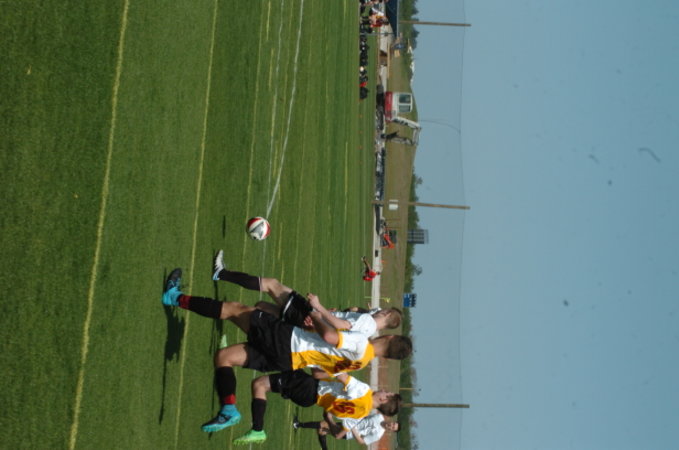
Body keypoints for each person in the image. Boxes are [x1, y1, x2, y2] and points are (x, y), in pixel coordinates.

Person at [161, 269, 412, 433]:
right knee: (224, 357)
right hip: (288, 360)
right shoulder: (362, 363)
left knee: (234, 309)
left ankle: (173, 297)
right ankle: (228, 409)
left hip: (289, 342)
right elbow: (320, 369)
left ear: (389, 337)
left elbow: (329, 337)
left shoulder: (362, 345)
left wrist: (316, 312)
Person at [212, 250, 399, 335]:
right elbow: (340, 332)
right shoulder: (368, 332)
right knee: (261, 308)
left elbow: (342, 326)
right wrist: (324, 319)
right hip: (311, 324)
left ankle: (221, 273)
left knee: (272, 285)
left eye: (385, 310)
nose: (381, 310)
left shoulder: (368, 322)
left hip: (309, 316)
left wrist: (320, 308)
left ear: (387, 314)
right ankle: (229, 316)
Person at [231, 370, 400, 445]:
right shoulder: (361, 414)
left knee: (260, 384)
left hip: (309, 387)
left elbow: (341, 375)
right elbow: (338, 434)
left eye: (386, 392)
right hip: (310, 397)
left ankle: (257, 429)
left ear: (384, 399)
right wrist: (329, 418)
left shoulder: (364, 391)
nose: (383, 390)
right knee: (283, 361)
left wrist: (323, 356)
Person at [293, 412, 399, 449]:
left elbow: (362, 441)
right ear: (392, 421)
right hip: (348, 423)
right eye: (393, 424)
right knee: (322, 430)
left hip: (348, 433)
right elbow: (364, 416)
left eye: (393, 428)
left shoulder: (378, 434)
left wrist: (353, 429)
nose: (391, 426)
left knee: (324, 424)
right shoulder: (379, 416)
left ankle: (298, 424)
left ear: (391, 431)